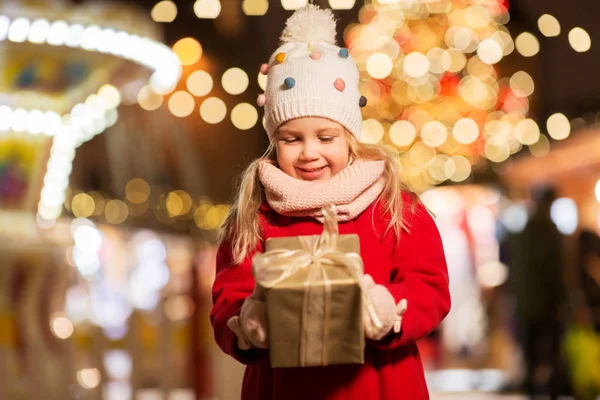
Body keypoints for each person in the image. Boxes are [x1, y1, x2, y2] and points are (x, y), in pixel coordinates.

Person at [209, 5, 451, 399]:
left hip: (381, 386)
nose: (308, 153)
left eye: (325, 137)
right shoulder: (255, 217)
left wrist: (389, 309)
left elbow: (430, 286)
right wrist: (246, 321)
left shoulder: (394, 206)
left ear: (349, 136)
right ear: (274, 141)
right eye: (291, 139)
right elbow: (227, 298)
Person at [508, 187, 566, 400]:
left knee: (531, 356)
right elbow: (556, 274)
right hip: (547, 307)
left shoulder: (521, 234)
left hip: (526, 306)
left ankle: (534, 393)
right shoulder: (550, 233)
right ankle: (550, 393)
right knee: (551, 355)